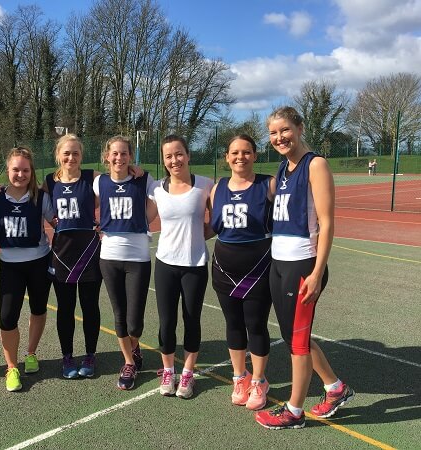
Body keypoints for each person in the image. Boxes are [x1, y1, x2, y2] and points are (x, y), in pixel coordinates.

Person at [255, 106, 354, 430]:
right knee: (293, 335)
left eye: (285, 130)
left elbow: (327, 223)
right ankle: (335, 388)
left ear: (299, 127)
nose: (279, 137)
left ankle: (294, 411)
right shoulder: (284, 169)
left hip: (302, 263)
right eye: (273, 133)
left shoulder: (316, 165)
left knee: (297, 342)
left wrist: (315, 272)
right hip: (279, 262)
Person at [210, 134, 275, 410]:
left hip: (259, 266)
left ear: (255, 155)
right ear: (226, 157)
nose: (240, 157)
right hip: (224, 267)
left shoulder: (268, 185)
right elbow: (211, 226)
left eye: (246, 152)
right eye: (234, 152)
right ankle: (240, 377)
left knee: (256, 324)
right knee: (233, 323)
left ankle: (259, 381)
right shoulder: (217, 188)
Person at [148, 135, 213, 399]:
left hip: (195, 265)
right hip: (165, 264)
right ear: (163, 161)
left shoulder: (206, 186)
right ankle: (167, 370)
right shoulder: (155, 188)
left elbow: (218, 220)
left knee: (191, 320)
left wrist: (198, 236)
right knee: (166, 322)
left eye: (178, 154)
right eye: (168, 156)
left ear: (188, 155)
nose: (174, 160)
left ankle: (187, 373)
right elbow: (142, 219)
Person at [0, 147, 55, 392]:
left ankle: (31, 353)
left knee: (38, 309)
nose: (21, 174)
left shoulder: (42, 198)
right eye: (16, 169)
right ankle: (12, 367)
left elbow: (58, 222)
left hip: (39, 262)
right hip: (10, 266)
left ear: (31, 171)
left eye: (25, 170)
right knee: (7, 318)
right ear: (8, 170)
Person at [94, 136, 156, 390]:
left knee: (135, 321)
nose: (119, 158)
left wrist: (144, 220)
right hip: (108, 257)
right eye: (115, 154)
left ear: (131, 156)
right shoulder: (99, 182)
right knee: (119, 314)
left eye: (124, 154)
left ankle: (135, 344)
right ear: (107, 156)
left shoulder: (144, 180)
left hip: (138, 257)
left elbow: (160, 201)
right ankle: (129, 361)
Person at [43, 134, 102, 379]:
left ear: (81, 155)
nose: (71, 157)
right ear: (58, 155)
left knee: (90, 307)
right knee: (65, 309)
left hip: (89, 252)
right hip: (62, 254)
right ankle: (67, 357)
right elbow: (37, 202)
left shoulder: (92, 177)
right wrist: (50, 220)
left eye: (75, 153)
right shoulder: (49, 181)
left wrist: (134, 168)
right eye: (66, 153)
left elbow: (118, 181)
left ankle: (90, 355)